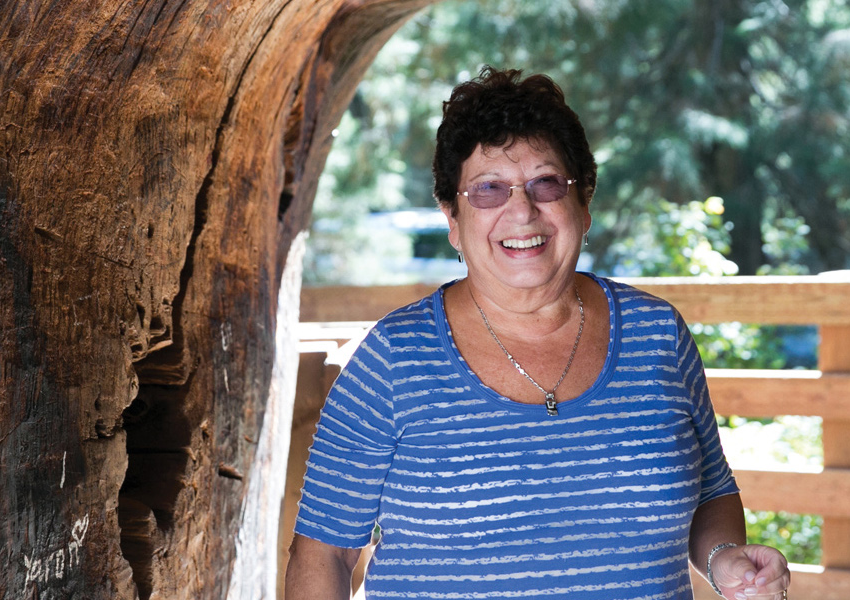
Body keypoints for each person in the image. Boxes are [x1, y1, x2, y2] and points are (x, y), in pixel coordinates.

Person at [285, 66, 791, 600]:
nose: (521, 211)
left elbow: (712, 490)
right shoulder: (391, 360)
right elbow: (324, 553)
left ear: (584, 201)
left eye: (545, 183)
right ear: (452, 218)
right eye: (487, 190)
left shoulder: (657, 333)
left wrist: (723, 559)